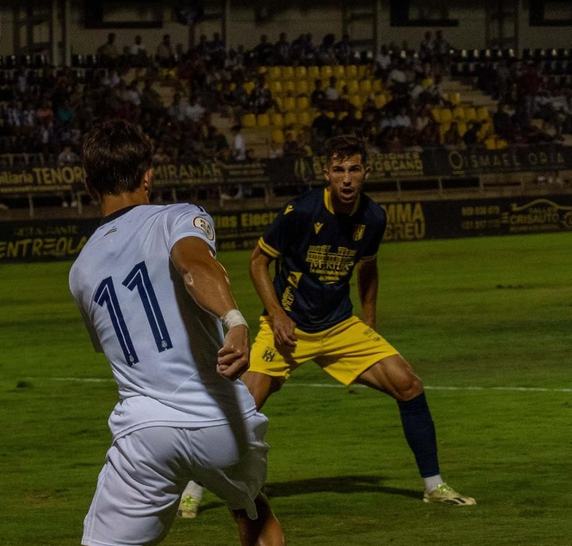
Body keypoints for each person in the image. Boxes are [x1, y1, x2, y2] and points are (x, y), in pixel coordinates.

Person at [30, 119, 303, 546]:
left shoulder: (79, 269)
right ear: (148, 176)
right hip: (216, 416)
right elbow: (194, 265)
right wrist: (235, 321)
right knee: (253, 510)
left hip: (143, 428)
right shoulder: (177, 215)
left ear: (91, 183)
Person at [179, 133, 474, 516]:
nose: (347, 179)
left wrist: (369, 324)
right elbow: (257, 262)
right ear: (326, 174)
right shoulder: (301, 211)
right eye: (339, 170)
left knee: (409, 385)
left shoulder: (373, 218)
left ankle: (434, 486)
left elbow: (368, 269)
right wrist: (278, 315)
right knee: (242, 405)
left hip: (339, 327)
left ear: (366, 172)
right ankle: (193, 486)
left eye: (354, 170)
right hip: (287, 329)